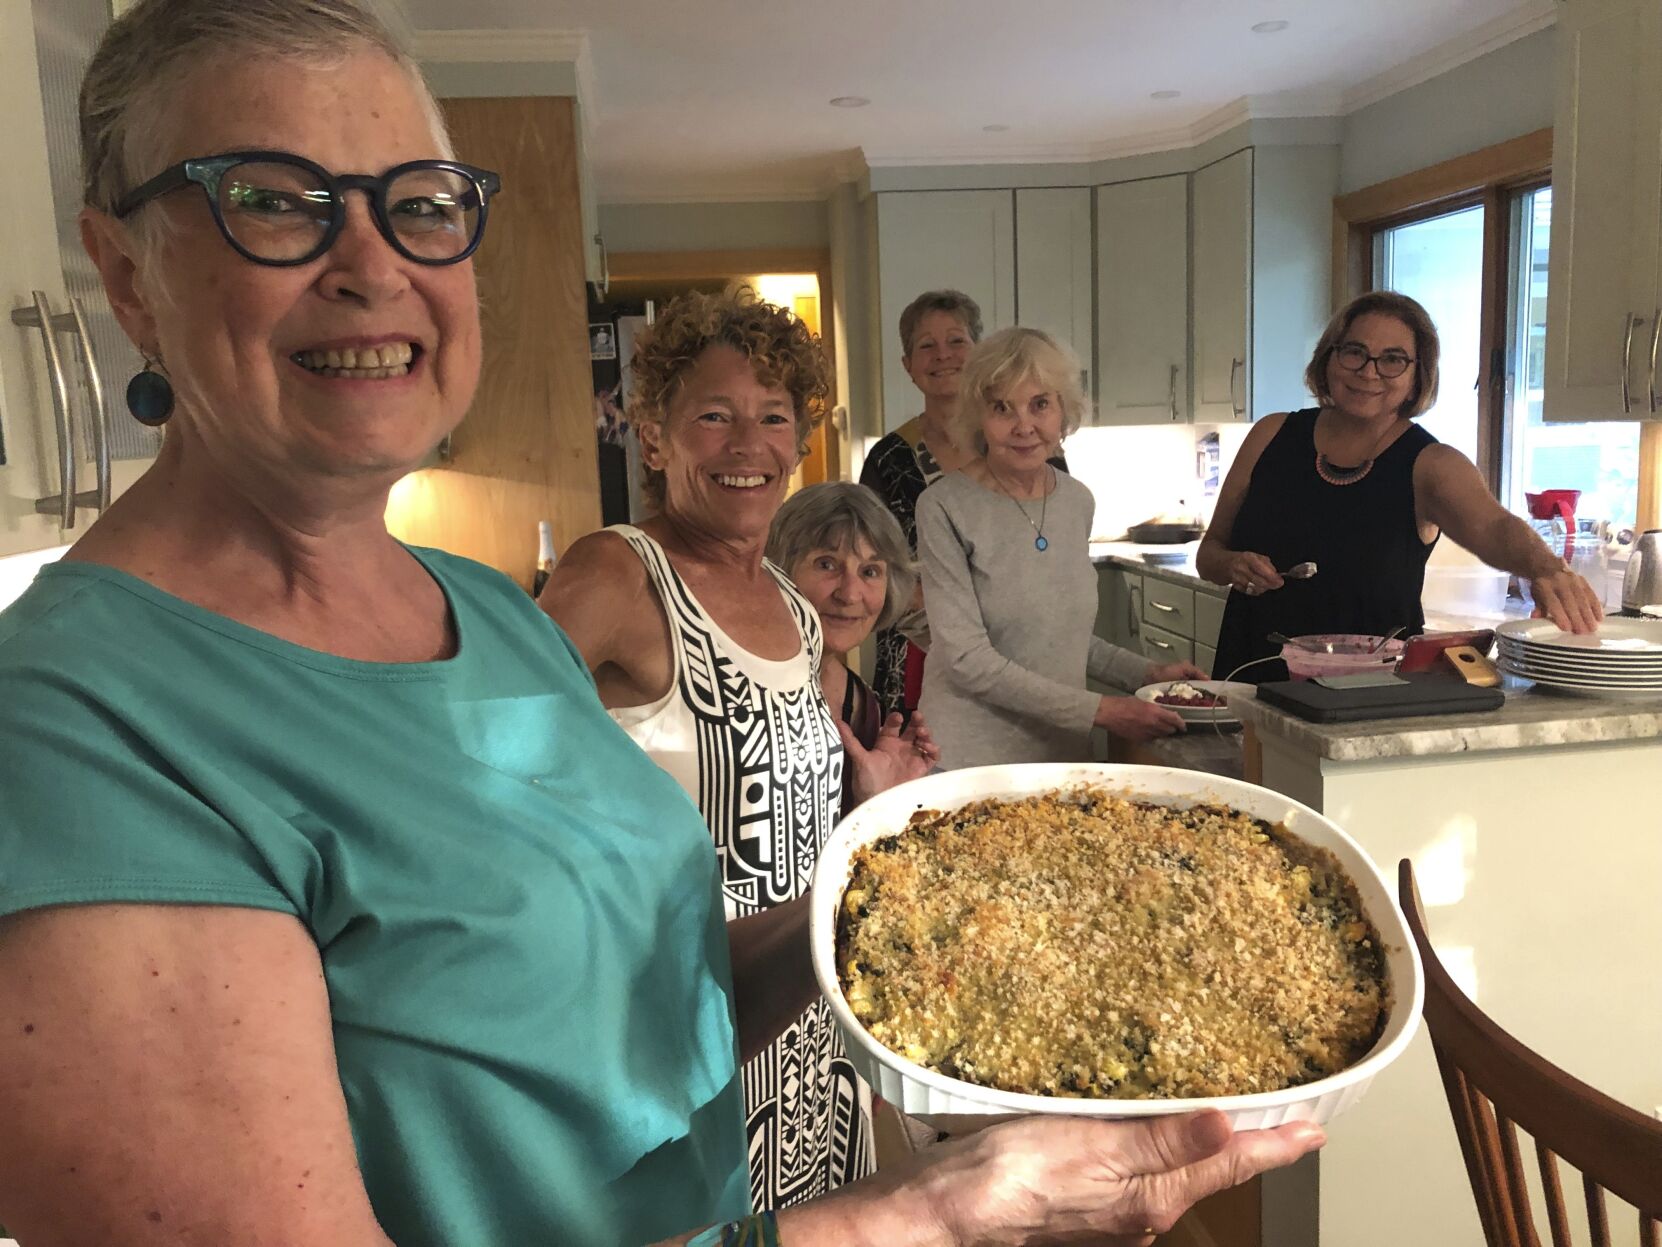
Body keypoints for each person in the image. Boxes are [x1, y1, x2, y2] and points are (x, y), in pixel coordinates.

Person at [0, 3, 1324, 1244]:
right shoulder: (79, 733)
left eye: (420, 207)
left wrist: (899, 905)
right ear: (124, 270)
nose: (373, 268)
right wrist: (931, 1211)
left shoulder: (483, 616)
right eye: (273, 203)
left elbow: (643, 1001)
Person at [539, 289, 942, 1209]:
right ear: (654, 437)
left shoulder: (798, 614)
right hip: (684, 1016)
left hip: (806, 1004)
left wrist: (868, 795)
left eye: (772, 418)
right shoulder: (617, 572)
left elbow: (785, 820)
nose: (746, 444)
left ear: (799, 443)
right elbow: (493, 776)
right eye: (712, 416)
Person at [1198, 290, 1604, 682]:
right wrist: (1232, 565)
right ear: (1329, 358)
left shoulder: (1431, 464)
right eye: (1354, 351)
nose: (1368, 371)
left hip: (1365, 697)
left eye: (1393, 360)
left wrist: (1547, 569)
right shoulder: (1271, 434)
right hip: (1250, 673)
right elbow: (1209, 553)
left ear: (1416, 376)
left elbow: (1494, 527)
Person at [916, 328, 1207, 770]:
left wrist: (1146, 674)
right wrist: (1103, 710)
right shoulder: (943, 506)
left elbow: (1057, 637)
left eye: (1040, 404)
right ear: (978, 417)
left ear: (1064, 410)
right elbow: (966, 660)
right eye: (1001, 408)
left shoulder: (1076, 500)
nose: (1024, 426)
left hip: (1060, 753)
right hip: (967, 758)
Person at [859, 291, 1073, 721]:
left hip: (1025, 660)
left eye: (956, 341)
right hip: (917, 661)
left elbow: (1055, 562)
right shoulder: (888, 459)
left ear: (978, 353)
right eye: (926, 345)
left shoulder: (1033, 447)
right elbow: (869, 568)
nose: (943, 356)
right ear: (907, 365)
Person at [767, 481, 935, 813]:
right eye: (827, 564)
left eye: (870, 571)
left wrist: (885, 802)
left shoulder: (868, 709)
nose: (850, 594)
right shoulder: (732, 689)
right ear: (778, 567)